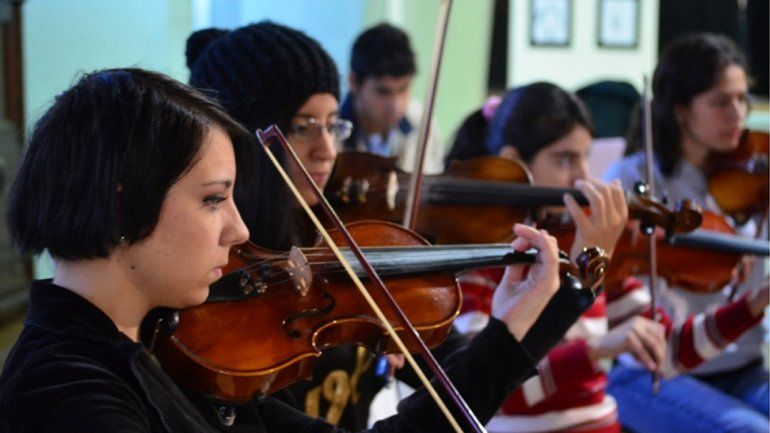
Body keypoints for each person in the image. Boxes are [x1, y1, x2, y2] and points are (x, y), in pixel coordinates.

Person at [0, 67, 584, 433]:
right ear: (124, 203)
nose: (237, 229)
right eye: (213, 199)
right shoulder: (68, 393)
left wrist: (512, 329)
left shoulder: (163, 345)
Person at [185, 22, 595, 431]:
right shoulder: (212, 291)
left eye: (332, 126)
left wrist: (517, 325)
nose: (327, 150)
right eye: (302, 127)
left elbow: (449, 386)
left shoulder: (341, 244)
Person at [446, 82, 667, 433]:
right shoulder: (485, 262)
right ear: (514, 163)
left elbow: (672, 349)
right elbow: (487, 392)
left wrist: (753, 303)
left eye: (585, 157)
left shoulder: (579, 246)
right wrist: (594, 350)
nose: (583, 177)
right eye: (564, 159)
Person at [603, 32, 769, 433]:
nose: (738, 114)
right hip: (652, 371)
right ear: (680, 110)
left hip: (744, 367)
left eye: (742, 98)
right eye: (720, 101)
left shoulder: (756, 177)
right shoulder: (634, 180)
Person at [340, 23, 444, 174]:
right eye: (383, 92)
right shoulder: (335, 131)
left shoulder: (422, 121)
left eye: (403, 89)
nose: (396, 105)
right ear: (354, 82)